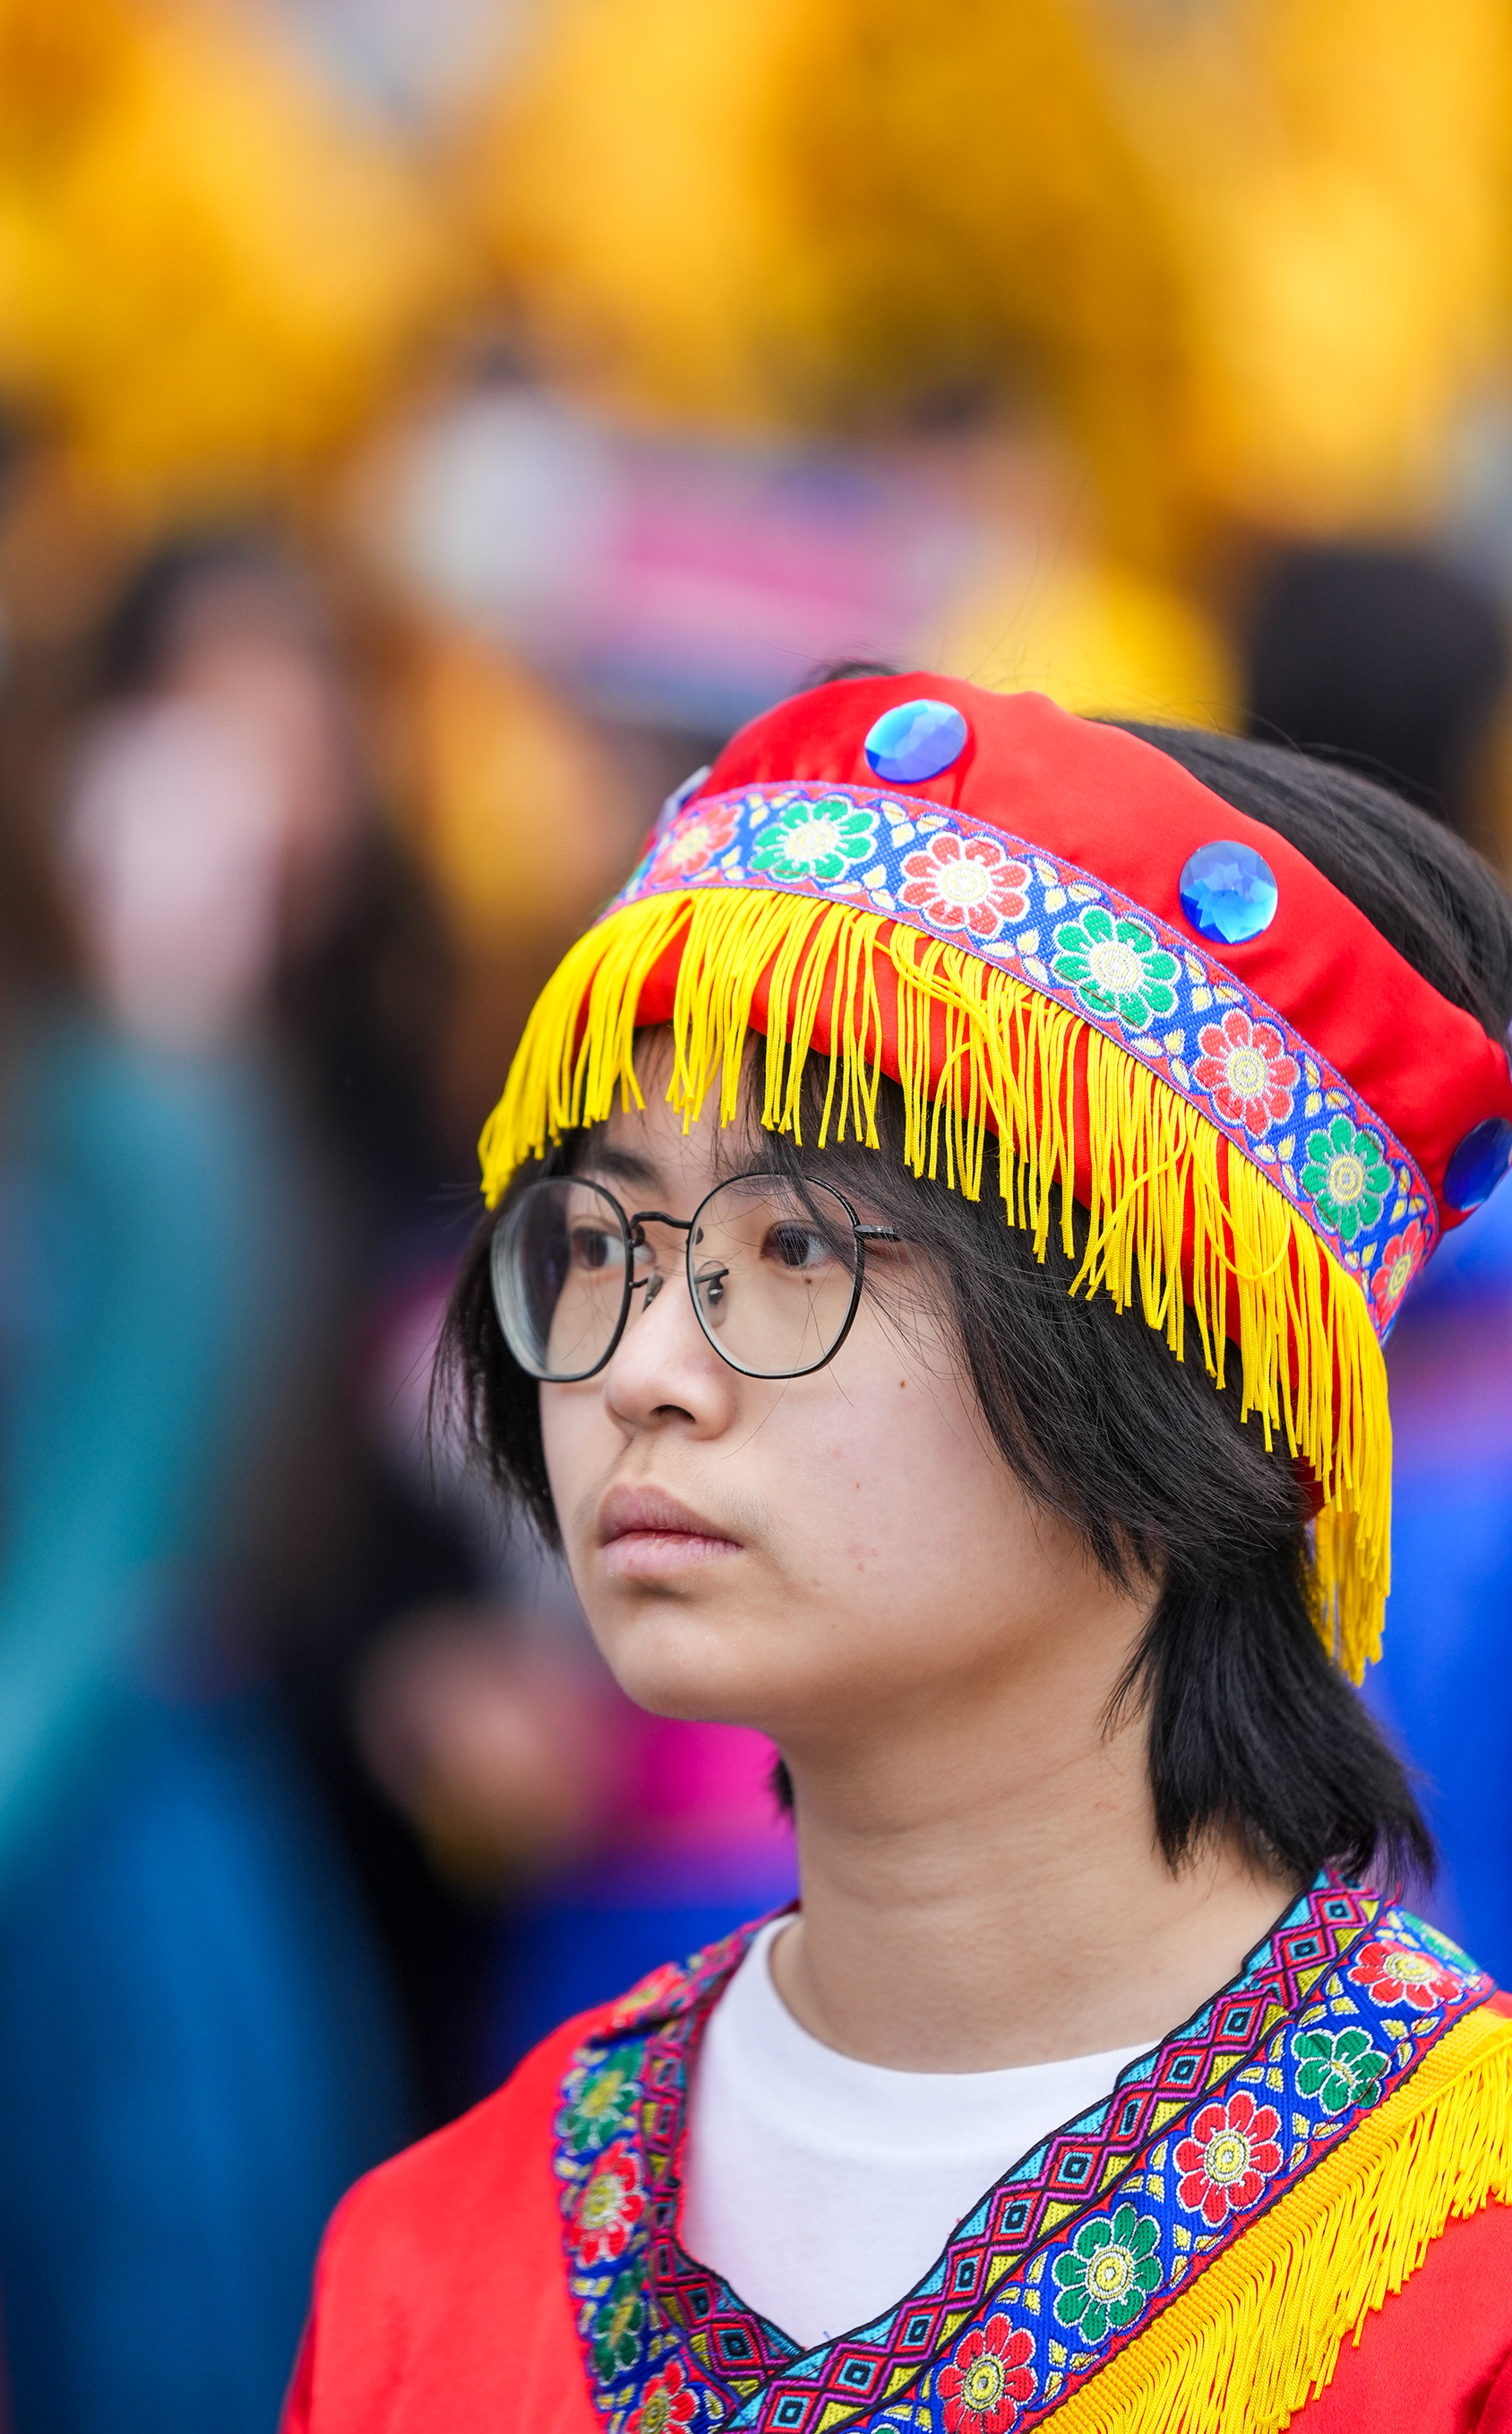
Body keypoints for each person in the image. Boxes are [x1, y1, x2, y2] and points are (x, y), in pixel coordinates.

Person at [284, 670, 1512, 2430]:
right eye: (604, 1239)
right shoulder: (436, 2256)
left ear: (1188, 1361)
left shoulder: (1461, 2271)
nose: (637, 1370)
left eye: (798, 1246)